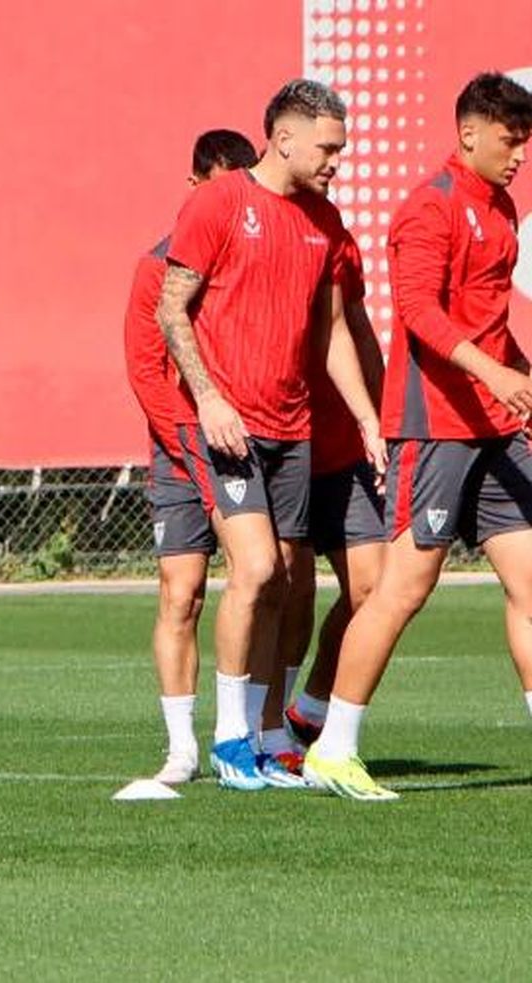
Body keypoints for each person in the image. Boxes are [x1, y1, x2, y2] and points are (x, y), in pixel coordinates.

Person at [306, 73, 532, 800]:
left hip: (495, 427)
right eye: (511, 141)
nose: (520, 156)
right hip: (434, 426)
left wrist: (519, 375)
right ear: (469, 133)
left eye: (525, 144)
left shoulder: (500, 208)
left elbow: (490, 324)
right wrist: (492, 374)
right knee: (403, 588)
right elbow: (420, 314)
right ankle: (332, 748)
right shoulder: (428, 208)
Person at [156, 79, 384, 790]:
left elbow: (334, 332)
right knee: (254, 570)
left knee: (284, 582)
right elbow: (171, 307)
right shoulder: (219, 203)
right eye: (327, 148)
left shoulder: (324, 221)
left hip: (295, 427)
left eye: (341, 150)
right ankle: (229, 739)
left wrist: (368, 418)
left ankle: (262, 733)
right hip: (228, 425)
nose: (336, 162)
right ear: (283, 139)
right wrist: (209, 398)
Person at [122, 128, 257, 785]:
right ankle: (182, 748)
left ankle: (255, 730)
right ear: (195, 185)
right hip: (185, 448)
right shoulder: (158, 266)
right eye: (217, 187)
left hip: (240, 444)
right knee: (182, 593)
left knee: (261, 577)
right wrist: (190, 442)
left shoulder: (250, 258)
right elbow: (146, 372)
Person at [273, 226, 387, 763]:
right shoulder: (253, 227)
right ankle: (266, 728)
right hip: (281, 441)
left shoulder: (335, 238)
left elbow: (355, 329)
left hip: (342, 448)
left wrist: (379, 419)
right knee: (290, 593)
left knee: (374, 588)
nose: (329, 181)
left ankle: (312, 709)